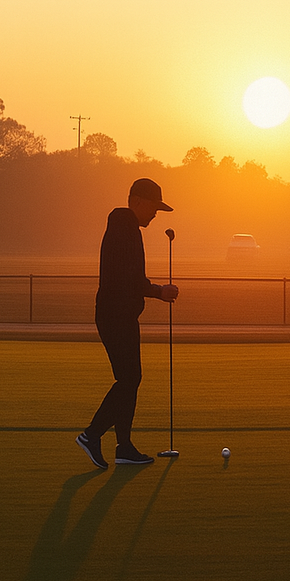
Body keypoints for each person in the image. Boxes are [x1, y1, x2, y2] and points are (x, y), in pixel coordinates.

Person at [76, 177, 179, 468]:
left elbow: (130, 278)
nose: (156, 213)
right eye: (154, 207)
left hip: (119, 313)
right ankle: (92, 435)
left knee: (130, 379)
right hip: (115, 314)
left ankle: (124, 447)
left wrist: (155, 291)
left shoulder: (126, 227)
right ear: (137, 201)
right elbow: (130, 280)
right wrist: (160, 291)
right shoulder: (126, 229)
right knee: (130, 379)